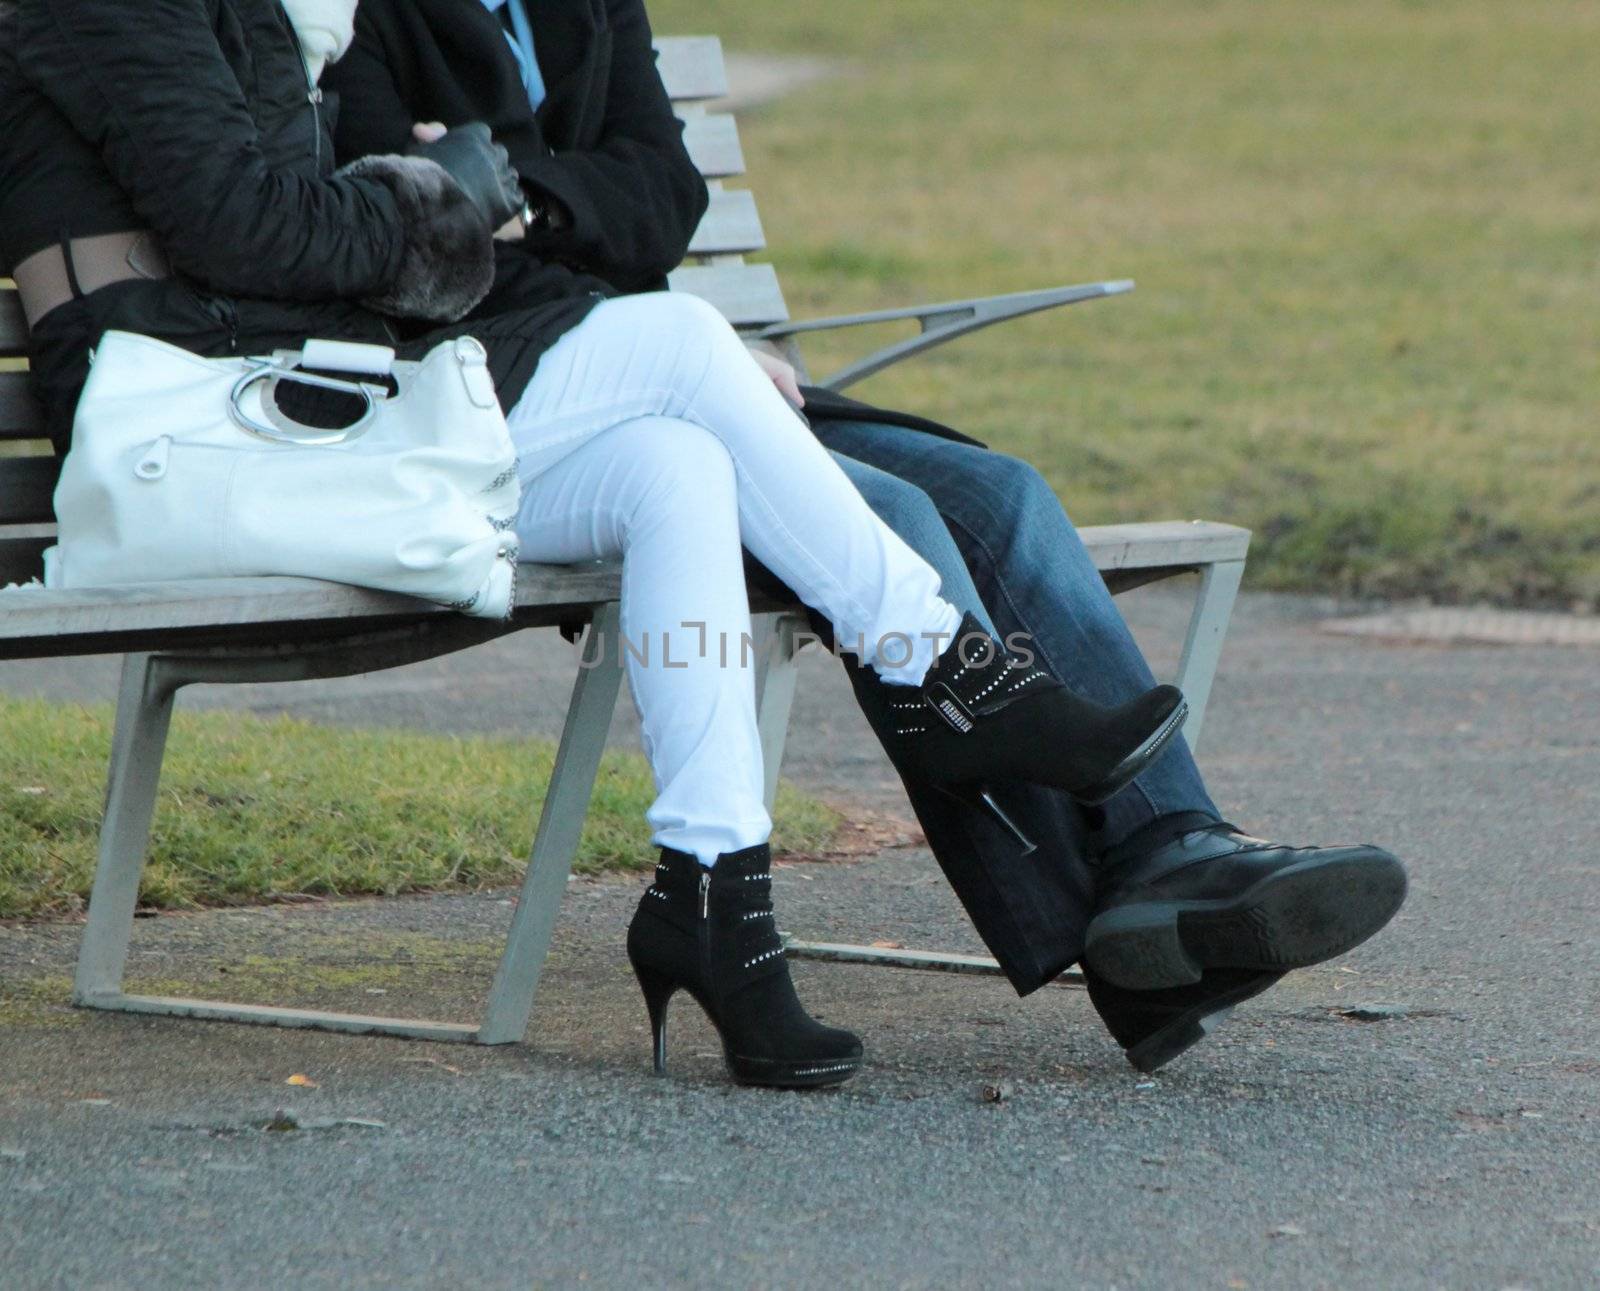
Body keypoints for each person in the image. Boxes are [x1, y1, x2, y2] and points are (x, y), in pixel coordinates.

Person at [0, 0, 1196, 1089]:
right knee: (677, 345)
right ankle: (942, 667)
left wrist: (437, 188)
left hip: (291, 404)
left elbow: (293, 238)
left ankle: (716, 899)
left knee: (675, 465)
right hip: (197, 442)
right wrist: (440, 199)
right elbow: (249, 231)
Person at [324, 0, 1412, 1074]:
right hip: (551, 402)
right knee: (900, 517)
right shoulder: (368, 14)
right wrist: (590, 252)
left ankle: (1173, 843)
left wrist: (513, 191)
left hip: (692, 368)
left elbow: (665, 194)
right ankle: (1122, 940)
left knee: (1001, 492)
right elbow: (414, 242)